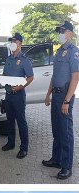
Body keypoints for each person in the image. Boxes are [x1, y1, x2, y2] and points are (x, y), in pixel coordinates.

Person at [43, 20, 79, 180]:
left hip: (65, 96)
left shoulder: (73, 52)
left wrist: (67, 101)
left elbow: (75, 78)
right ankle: (56, 159)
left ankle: (66, 166)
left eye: (63, 31)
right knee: (56, 130)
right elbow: (55, 76)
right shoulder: (59, 52)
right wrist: (48, 94)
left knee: (65, 132)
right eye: (59, 31)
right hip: (56, 95)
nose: (60, 34)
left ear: (70, 33)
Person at [1, 33, 34, 159]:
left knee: (21, 122)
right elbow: (4, 74)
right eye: (11, 41)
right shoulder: (8, 59)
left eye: (14, 41)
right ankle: (10, 143)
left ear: (19, 43)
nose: (12, 43)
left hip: (18, 96)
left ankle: (24, 148)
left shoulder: (24, 60)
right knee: (9, 121)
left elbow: (31, 77)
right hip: (8, 95)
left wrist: (20, 87)